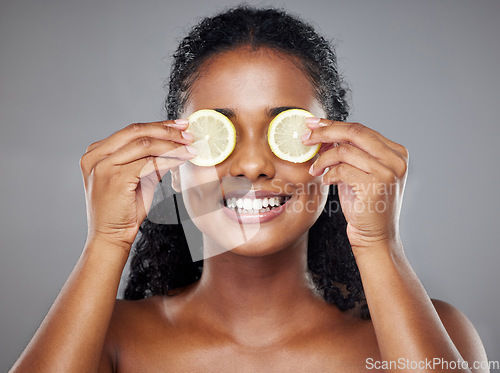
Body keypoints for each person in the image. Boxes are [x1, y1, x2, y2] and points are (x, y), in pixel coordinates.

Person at [11, 5, 489, 372]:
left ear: (335, 152)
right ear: (176, 165)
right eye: (219, 132)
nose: (255, 164)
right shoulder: (104, 339)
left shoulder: (432, 334)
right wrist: (106, 241)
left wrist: (378, 244)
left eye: (287, 131)